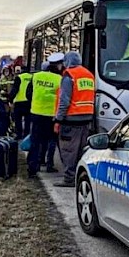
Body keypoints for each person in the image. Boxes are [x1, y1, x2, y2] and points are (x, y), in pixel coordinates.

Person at [54, 51, 96, 187]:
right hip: (86, 118)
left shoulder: (69, 76)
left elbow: (64, 101)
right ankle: (80, 177)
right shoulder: (89, 75)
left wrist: (58, 118)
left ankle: (69, 179)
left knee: (68, 150)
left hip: (71, 119)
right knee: (80, 150)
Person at [26, 53, 64, 178]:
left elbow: (28, 94)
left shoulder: (36, 76)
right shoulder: (60, 79)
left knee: (35, 141)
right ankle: (49, 165)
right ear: (58, 65)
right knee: (51, 141)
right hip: (52, 116)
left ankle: (33, 168)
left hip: (36, 114)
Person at [9, 66, 32, 140]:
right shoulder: (32, 77)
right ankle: (26, 135)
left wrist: (10, 99)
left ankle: (19, 134)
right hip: (29, 102)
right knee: (27, 120)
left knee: (18, 120)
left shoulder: (19, 77)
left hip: (19, 102)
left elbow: (15, 89)